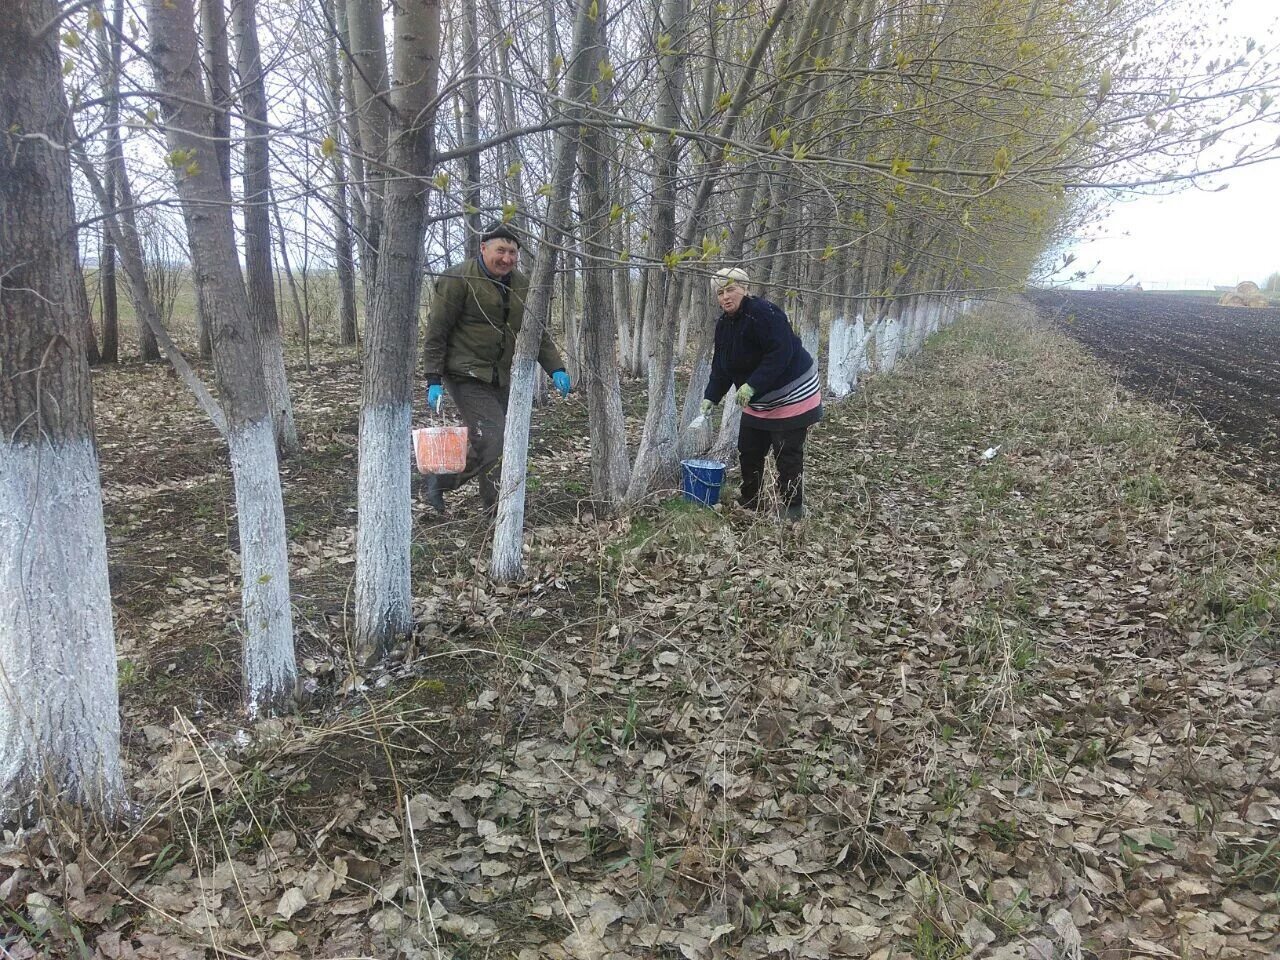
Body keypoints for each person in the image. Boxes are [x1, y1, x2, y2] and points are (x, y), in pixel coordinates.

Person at [420, 222, 571, 514]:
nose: (506, 258)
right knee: (494, 438)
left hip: (502, 375)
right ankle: (442, 482)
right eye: (500, 250)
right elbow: (437, 331)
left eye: (512, 252)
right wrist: (433, 378)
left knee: (499, 441)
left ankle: (495, 507)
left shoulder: (523, 285)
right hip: (466, 373)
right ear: (483, 248)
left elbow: (533, 332)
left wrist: (556, 368)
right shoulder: (457, 278)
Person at [701, 267, 821, 520]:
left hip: (793, 390)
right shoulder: (724, 324)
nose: (725, 297)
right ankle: (751, 500)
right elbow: (722, 365)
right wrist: (711, 396)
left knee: (786, 453)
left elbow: (781, 353)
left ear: (744, 289)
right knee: (749, 449)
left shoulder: (765, 313)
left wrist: (752, 385)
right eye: (720, 292)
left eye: (731, 289)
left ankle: (792, 509)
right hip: (759, 397)